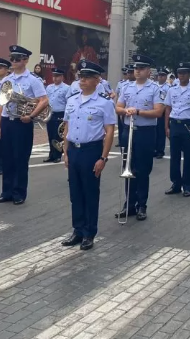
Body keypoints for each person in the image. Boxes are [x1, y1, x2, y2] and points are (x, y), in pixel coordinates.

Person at [60, 60, 115, 250]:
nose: (82, 81)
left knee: (90, 193)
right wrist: (65, 151)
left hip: (91, 150)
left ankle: (89, 233)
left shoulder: (104, 104)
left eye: (87, 78)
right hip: (73, 150)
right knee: (75, 193)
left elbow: (109, 131)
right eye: (81, 77)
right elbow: (67, 126)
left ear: (97, 80)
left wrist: (103, 157)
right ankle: (77, 230)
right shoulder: (72, 100)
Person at [0, 45, 49, 205]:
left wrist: (31, 115)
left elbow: (43, 100)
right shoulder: (6, 80)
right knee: (7, 158)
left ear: (25, 60)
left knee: (20, 158)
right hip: (7, 121)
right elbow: (0, 104)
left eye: (17, 59)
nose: (13, 61)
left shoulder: (33, 80)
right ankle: (7, 192)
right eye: (12, 58)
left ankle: (19, 193)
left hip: (22, 123)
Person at [115, 54, 164, 220]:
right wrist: (125, 111)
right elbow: (118, 107)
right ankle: (129, 204)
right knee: (128, 167)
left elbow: (158, 112)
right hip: (129, 130)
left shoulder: (155, 88)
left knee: (142, 170)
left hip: (146, 132)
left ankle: (142, 204)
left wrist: (138, 111)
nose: (137, 71)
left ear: (148, 71)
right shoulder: (126, 87)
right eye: (135, 68)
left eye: (141, 68)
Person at [164, 62, 190, 197]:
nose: (181, 75)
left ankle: (188, 186)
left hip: (188, 125)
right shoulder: (171, 90)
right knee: (174, 156)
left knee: (188, 156)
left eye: (184, 73)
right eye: (180, 73)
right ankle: (176, 183)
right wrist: (166, 127)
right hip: (175, 124)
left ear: (188, 74)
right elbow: (168, 108)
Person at [44, 69, 70, 163]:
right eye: (54, 76)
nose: (55, 78)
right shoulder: (49, 87)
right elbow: (46, 101)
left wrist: (66, 116)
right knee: (50, 134)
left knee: (58, 135)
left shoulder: (67, 88)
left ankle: (58, 155)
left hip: (60, 113)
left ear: (62, 77)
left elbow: (68, 103)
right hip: (50, 113)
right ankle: (51, 155)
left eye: (57, 76)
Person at [154, 67, 171, 159]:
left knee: (161, 131)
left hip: (163, 111)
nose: (161, 77)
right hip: (154, 110)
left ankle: (160, 150)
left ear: (165, 77)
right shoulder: (153, 85)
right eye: (159, 75)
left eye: (163, 75)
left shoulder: (168, 87)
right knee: (154, 131)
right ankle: (154, 149)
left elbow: (168, 101)